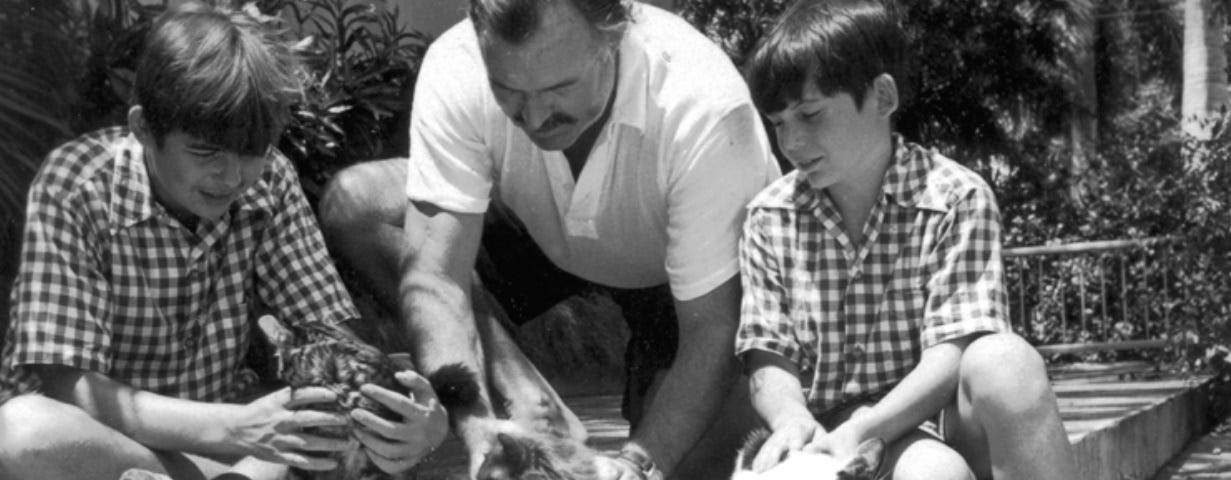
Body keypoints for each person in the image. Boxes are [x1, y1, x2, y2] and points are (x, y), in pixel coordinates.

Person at [316, 0, 781, 477]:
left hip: (684, 290)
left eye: (561, 87)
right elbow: (436, 278)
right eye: (507, 89)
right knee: (361, 205)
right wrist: (478, 432)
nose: (536, 118)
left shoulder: (704, 105)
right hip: (539, 226)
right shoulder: (456, 63)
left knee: (695, 466)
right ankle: (528, 396)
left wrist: (636, 463)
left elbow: (714, 330)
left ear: (615, 36)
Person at [0, 3, 447, 479]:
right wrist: (239, 428)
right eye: (205, 151)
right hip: (107, 444)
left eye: (251, 152)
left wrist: (421, 418)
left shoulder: (269, 180)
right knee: (23, 432)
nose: (232, 176)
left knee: (342, 441)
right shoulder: (77, 184)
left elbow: (333, 336)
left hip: (222, 451)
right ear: (144, 129)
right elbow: (70, 386)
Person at [734, 0, 1078, 479]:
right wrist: (791, 419)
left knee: (1005, 362)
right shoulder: (769, 218)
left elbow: (953, 353)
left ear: (881, 97)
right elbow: (768, 355)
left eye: (809, 115)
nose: (790, 143)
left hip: (929, 421)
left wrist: (867, 428)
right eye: (778, 123)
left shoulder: (955, 197)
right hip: (822, 433)